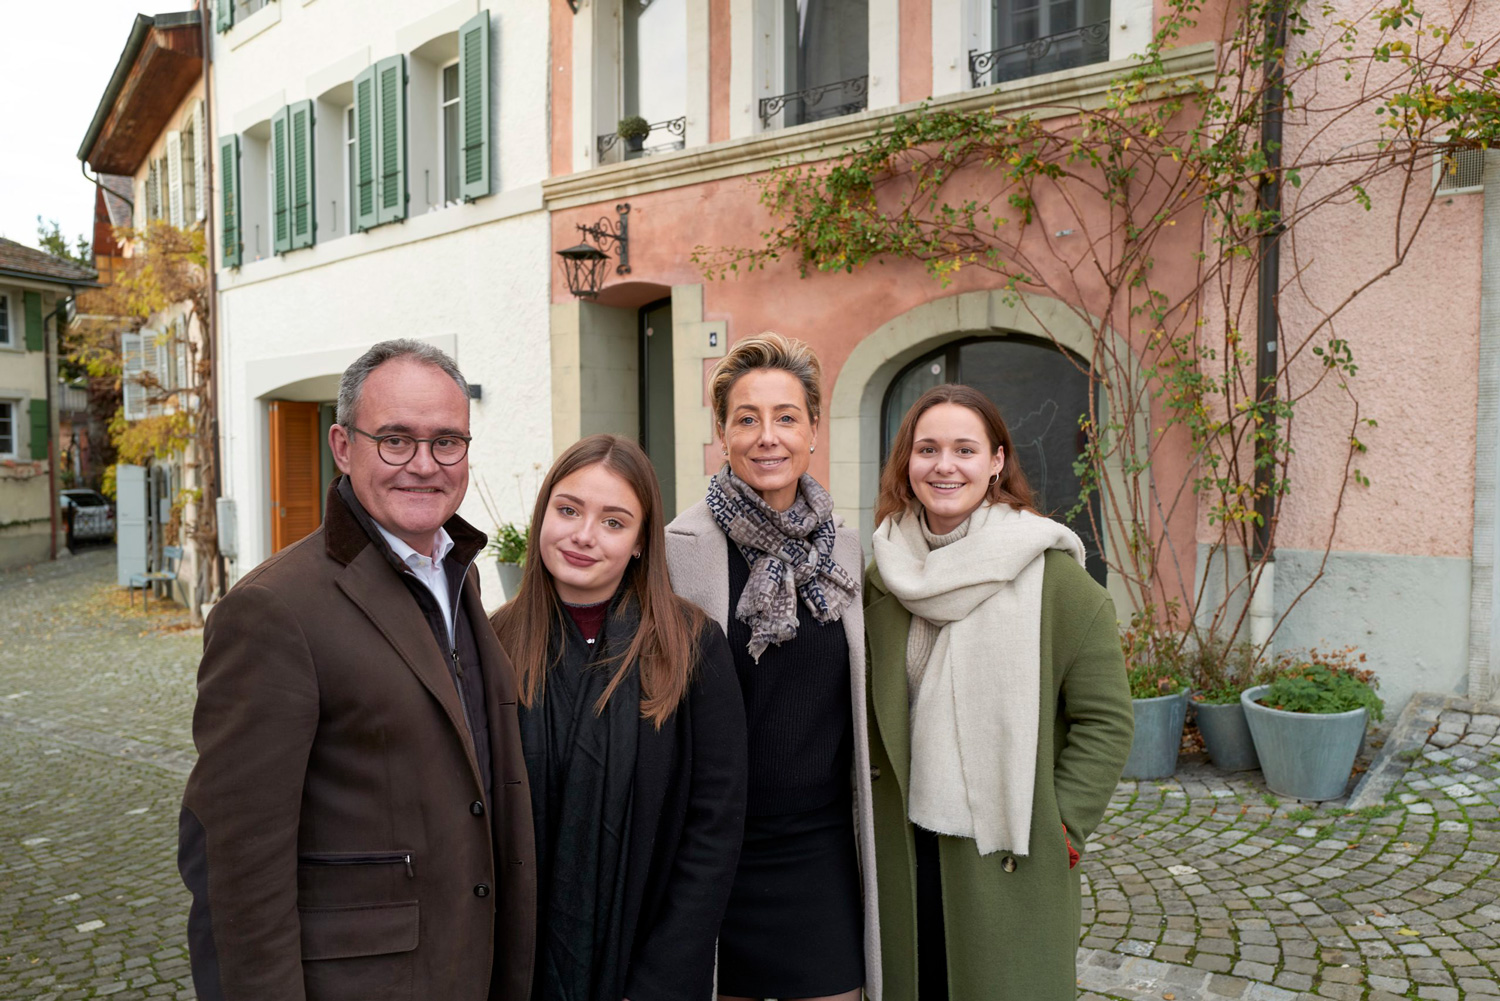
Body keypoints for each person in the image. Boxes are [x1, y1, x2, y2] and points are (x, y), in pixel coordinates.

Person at [178, 339, 534, 1001]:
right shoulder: (273, 610)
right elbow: (235, 869)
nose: (424, 465)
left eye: (447, 441)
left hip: (467, 965)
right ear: (343, 446)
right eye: (395, 440)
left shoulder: (458, 575)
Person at [864, 384, 1134, 1001]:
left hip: (1006, 848)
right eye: (927, 448)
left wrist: (1064, 823)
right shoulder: (884, 575)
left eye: (965, 449)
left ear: (995, 462)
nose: (944, 465)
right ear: (907, 462)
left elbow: (1106, 720)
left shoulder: (1053, 577)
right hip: (901, 846)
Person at [491, 433, 747, 1001]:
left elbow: (715, 826)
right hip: (516, 967)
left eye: (613, 521)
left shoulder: (691, 644)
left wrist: (664, 977)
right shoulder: (492, 644)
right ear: (542, 517)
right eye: (568, 510)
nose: (583, 536)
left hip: (648, 966)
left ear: (639, 543)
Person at [665, 333, 876, 1001]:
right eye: (746, 418)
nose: (768, 436)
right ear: (722, 432)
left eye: (786, 416)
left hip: (821, 850)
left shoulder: (847, 549)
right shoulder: (676, 551)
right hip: (713, 854)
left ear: (813, 428)